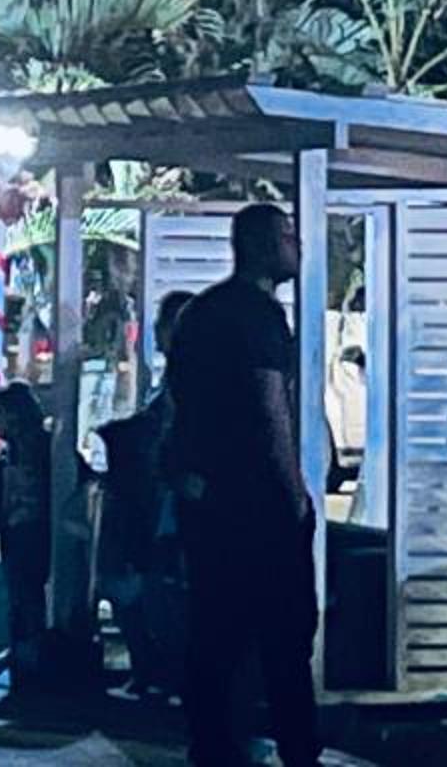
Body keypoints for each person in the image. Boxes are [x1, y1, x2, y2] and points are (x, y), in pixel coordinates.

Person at [165, 205, 318, 767]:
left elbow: (180, 400)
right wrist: (295, 494)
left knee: (214, 631)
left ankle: (212, 745)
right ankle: (298, 749)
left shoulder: (200, 313)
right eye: (287, 236)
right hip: (255, 500)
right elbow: (269, 407)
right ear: (259, 245)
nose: (298, 246)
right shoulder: (258, 316)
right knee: (286, 635)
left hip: (205, 498)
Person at [98, 287, 194, 697]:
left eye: (165, 326)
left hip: (169, 502)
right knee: (141, 584)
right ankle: (155, 669)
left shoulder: (193, 383)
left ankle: (165, 672)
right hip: (155, 499)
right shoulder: (172, 381)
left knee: (159, 588)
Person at [0, 381, 55, 681]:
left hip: (33, 531)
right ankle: (23, 648)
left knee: (27, 593)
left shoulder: (41, 451)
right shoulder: (11, 455)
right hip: (18, 531)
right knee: (20, 593)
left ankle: (30, 650)